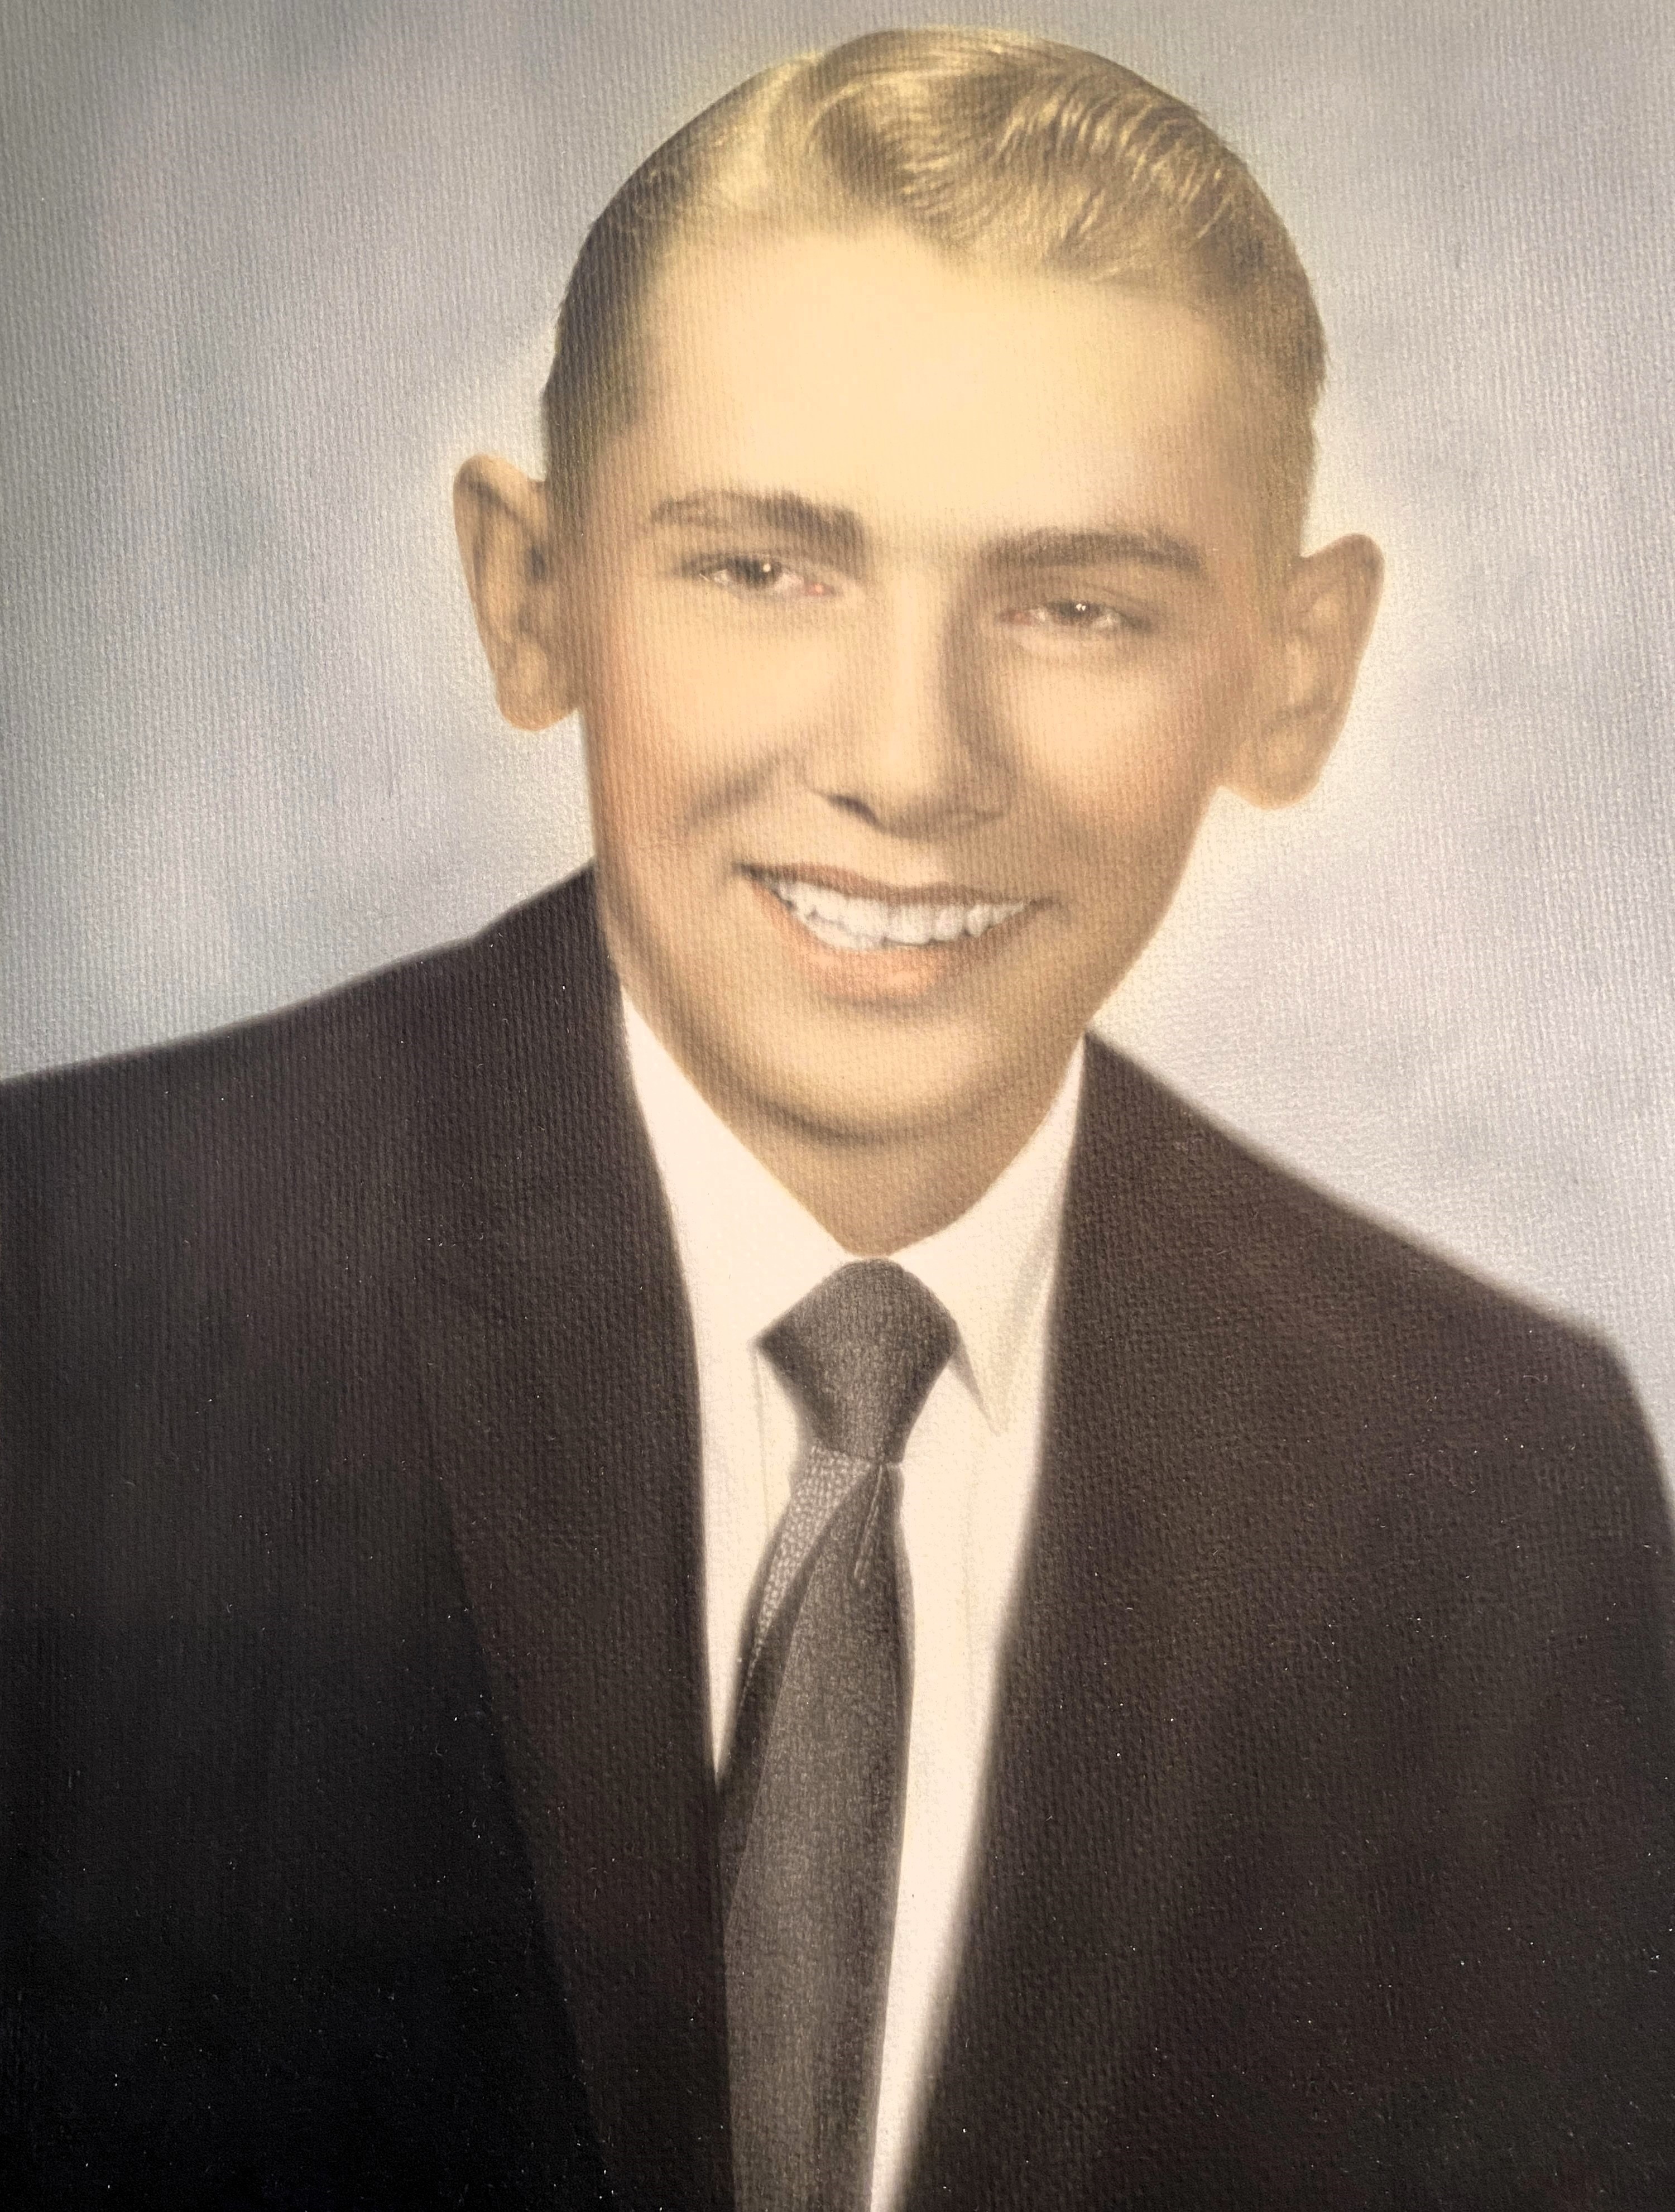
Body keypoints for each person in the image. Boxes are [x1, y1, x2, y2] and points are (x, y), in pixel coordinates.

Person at [2, 26, 1671, 2210]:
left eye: (1074, 605)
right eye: (762, 569)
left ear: (1296, 670)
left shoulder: (1490, 1482)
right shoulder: (66, 1298)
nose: (905, 761)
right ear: (530, 592)